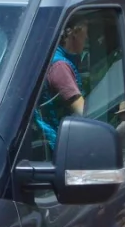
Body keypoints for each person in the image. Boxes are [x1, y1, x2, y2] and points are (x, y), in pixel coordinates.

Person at [35, 20, 87, 150]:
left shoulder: (53, 59)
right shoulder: (60, 67)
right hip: (60, 145)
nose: (86, 37)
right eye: (85, 32)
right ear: (74, 32)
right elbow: (83, 112)